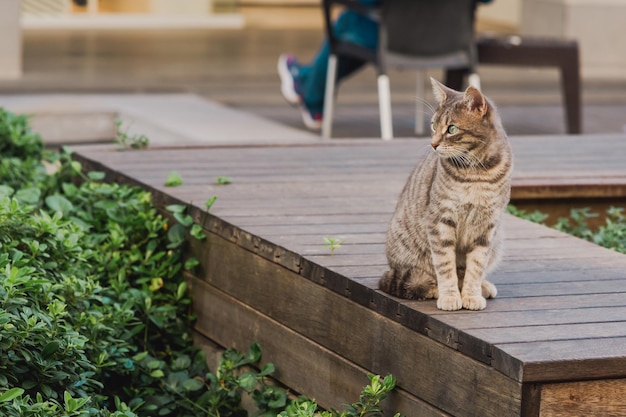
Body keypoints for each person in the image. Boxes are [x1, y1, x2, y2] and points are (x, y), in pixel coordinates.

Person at [277, 0, 492, 130]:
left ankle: (310, 92)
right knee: (358, 25)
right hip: (451, 41)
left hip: (396, 40)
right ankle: (307, 84)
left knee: (350, 22)